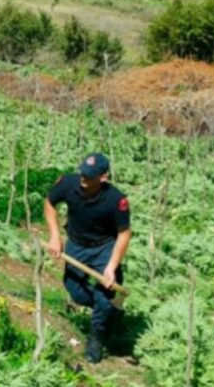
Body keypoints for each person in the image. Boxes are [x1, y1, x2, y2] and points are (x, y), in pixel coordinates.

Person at [44, 152, 132, 363]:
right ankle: (107, 310)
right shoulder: (68, 183)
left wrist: (111, 267)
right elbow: (49, 203)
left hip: (104, 248)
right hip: (76, 244)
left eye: (90, 176)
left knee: (105, 293)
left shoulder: (116, 199)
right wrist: (55, 236)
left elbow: (124, 234)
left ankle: (97, 338)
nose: (84, 178)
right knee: (75, 291)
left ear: (103, 177)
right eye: (83, 173)